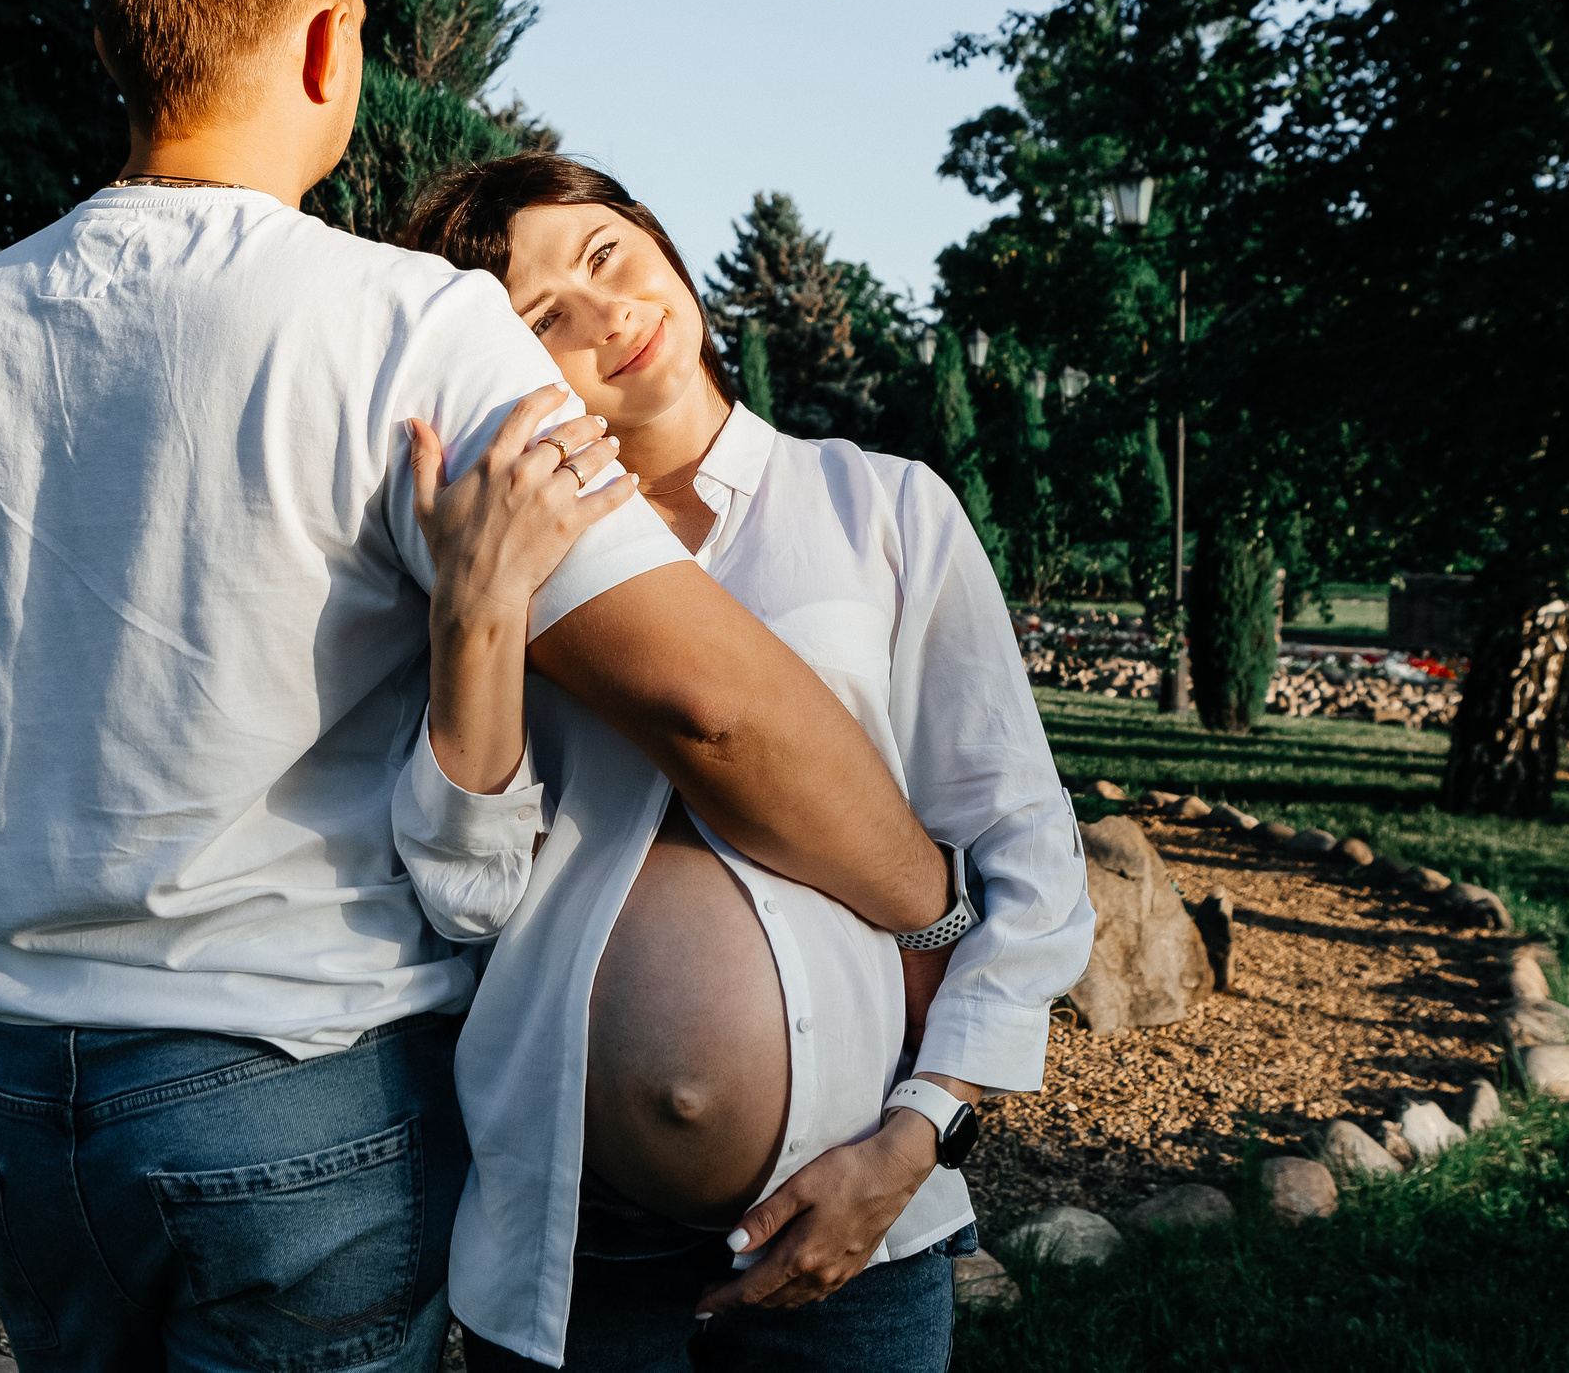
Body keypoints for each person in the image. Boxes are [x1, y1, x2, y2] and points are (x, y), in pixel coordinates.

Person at [0, 0, 971, 1373]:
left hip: (22, 1105)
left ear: (118, 47)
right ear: (327, 41)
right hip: (295, 1095)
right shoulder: (400, 325)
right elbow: (714, 700)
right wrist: (927, 908)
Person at [388, 153, 1096, 1371]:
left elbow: (1026, 850)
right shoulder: (497, 548)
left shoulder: (882, 506)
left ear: (661, 242)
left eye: (606, 254)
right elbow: (466, 895)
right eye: (541, 317)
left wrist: (918, 1137)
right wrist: (477, 605)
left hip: (859, 1225)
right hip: (575, 1252)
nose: (606, 313)